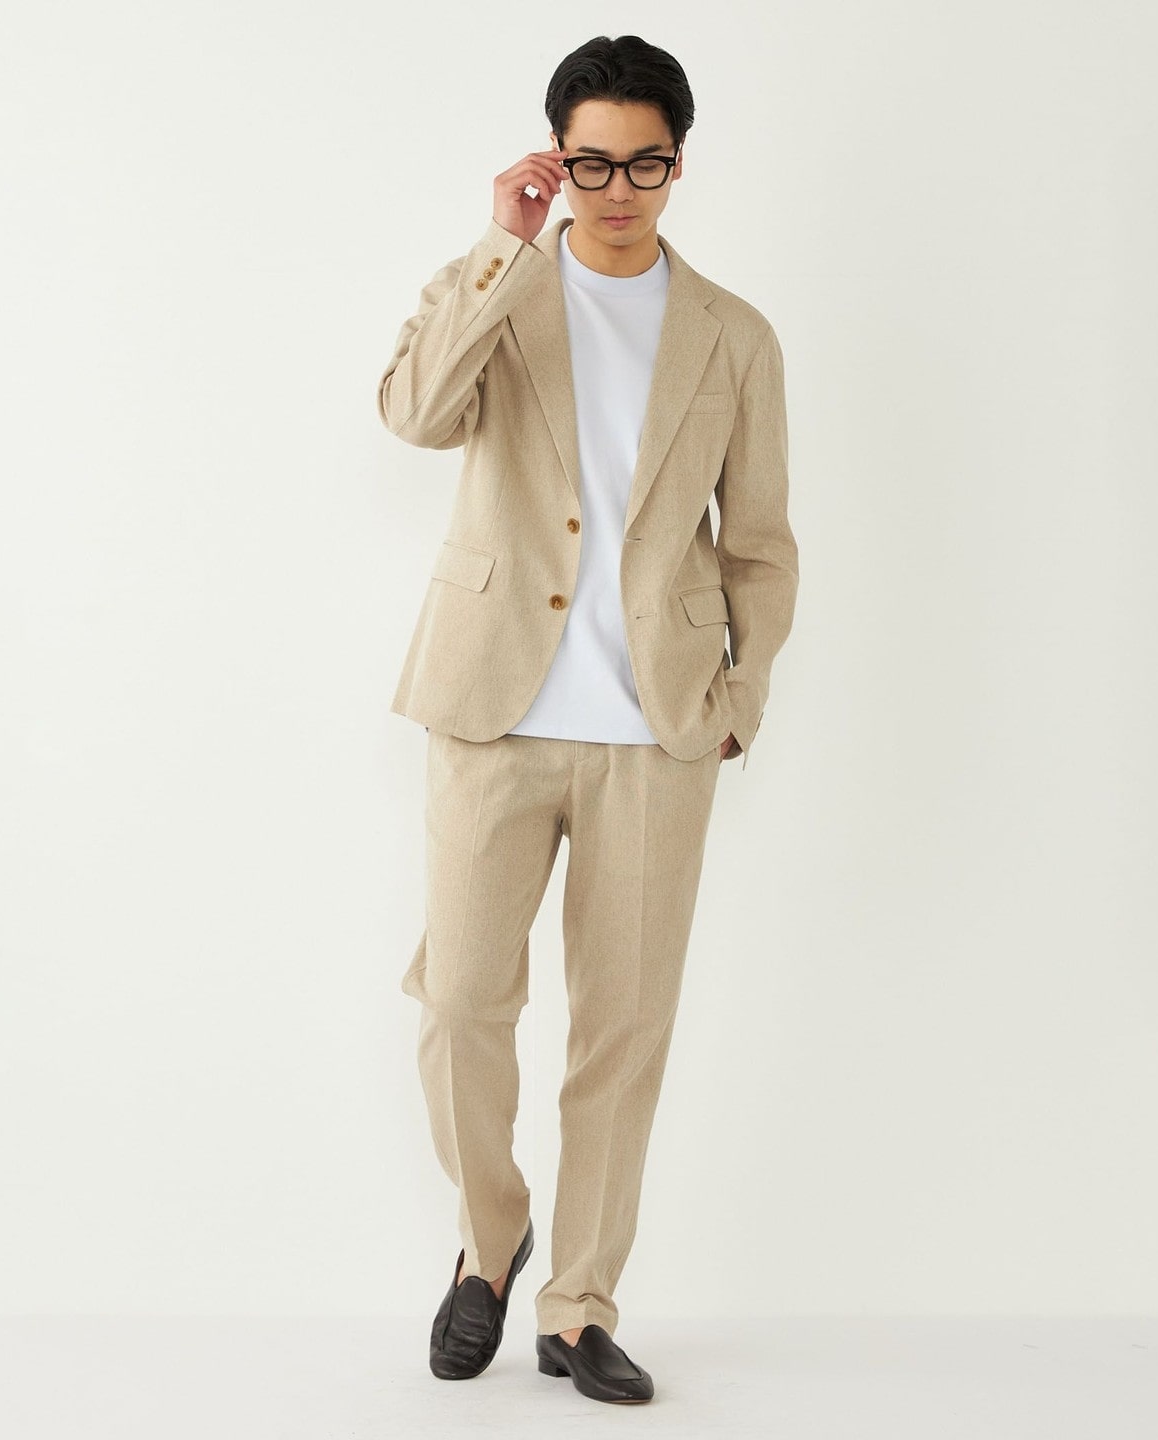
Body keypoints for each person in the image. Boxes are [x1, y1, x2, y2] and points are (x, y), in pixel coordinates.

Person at [376, 33, 799, 1405]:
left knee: (622, 1031)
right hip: (490, 710)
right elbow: (413, 414)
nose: (619, 190)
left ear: (680, 163)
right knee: (458, 1001)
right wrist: (502, 248)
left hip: (658, 730)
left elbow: (762, 541)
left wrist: (736, 700)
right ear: (555, 159)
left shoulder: (735, 334)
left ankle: (579, 1305)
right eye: (592, 163)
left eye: (645, 163)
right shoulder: (494, 287)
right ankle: (488, 1243)